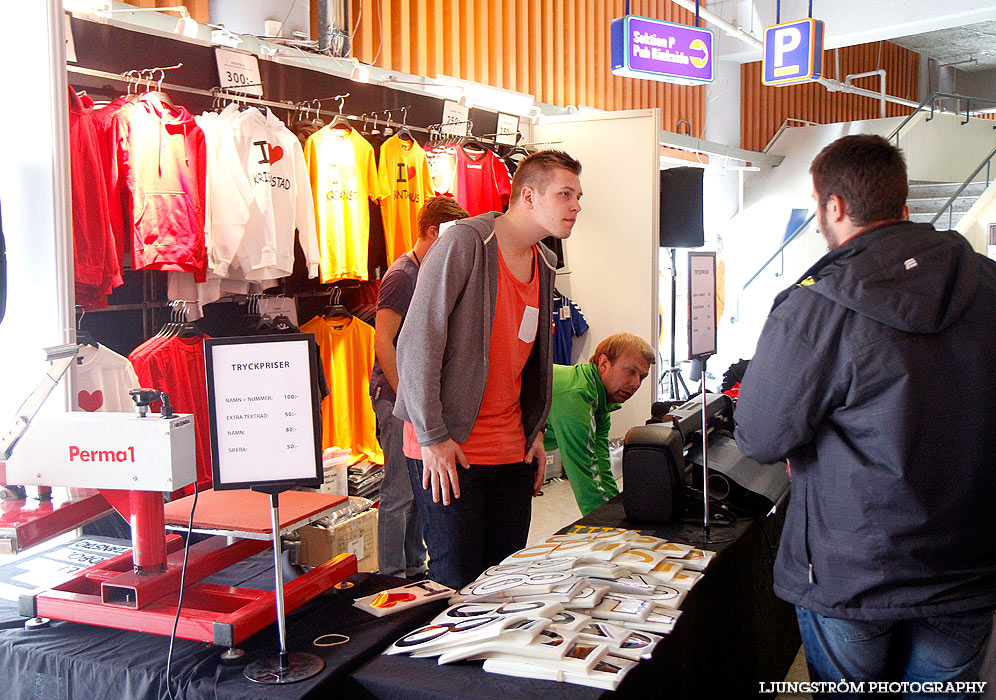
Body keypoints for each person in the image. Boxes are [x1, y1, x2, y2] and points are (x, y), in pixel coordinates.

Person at [734, 134, 996, 696]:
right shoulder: (988, 284)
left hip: (852, 567)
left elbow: (758, 435)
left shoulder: (815, 305)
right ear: (903, 206)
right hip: (968, 563)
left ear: (833, 206)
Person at [394, 150, 583, 590]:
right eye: (565, 194)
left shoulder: (545, 263)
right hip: (449, 445)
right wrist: (434, 437)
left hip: (511, 447)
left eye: (578, 195)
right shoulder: (465, 242)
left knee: (504, 580)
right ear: (528, 197)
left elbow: (530, 358)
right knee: (455, 584)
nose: (576, 205)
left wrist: (533, 432)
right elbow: (417, 340)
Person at [370, 195, 469, 578]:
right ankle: (392, 574)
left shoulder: (425, 270)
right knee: (398, 492)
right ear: (432, 231)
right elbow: (384, 341)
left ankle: (413, 569)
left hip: (409, 399)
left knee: (416, 489)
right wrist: (407, 399)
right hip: (395, 398)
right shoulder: (401, 275)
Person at [544, 333, 654, 516]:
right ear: (603, 364)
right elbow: (586, 480)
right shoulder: (577, 396)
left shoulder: (600, 402)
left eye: (642, 377)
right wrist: (611, 528)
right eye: (630, 371)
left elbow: (601, 465)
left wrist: (620, 512)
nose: (636, 384)